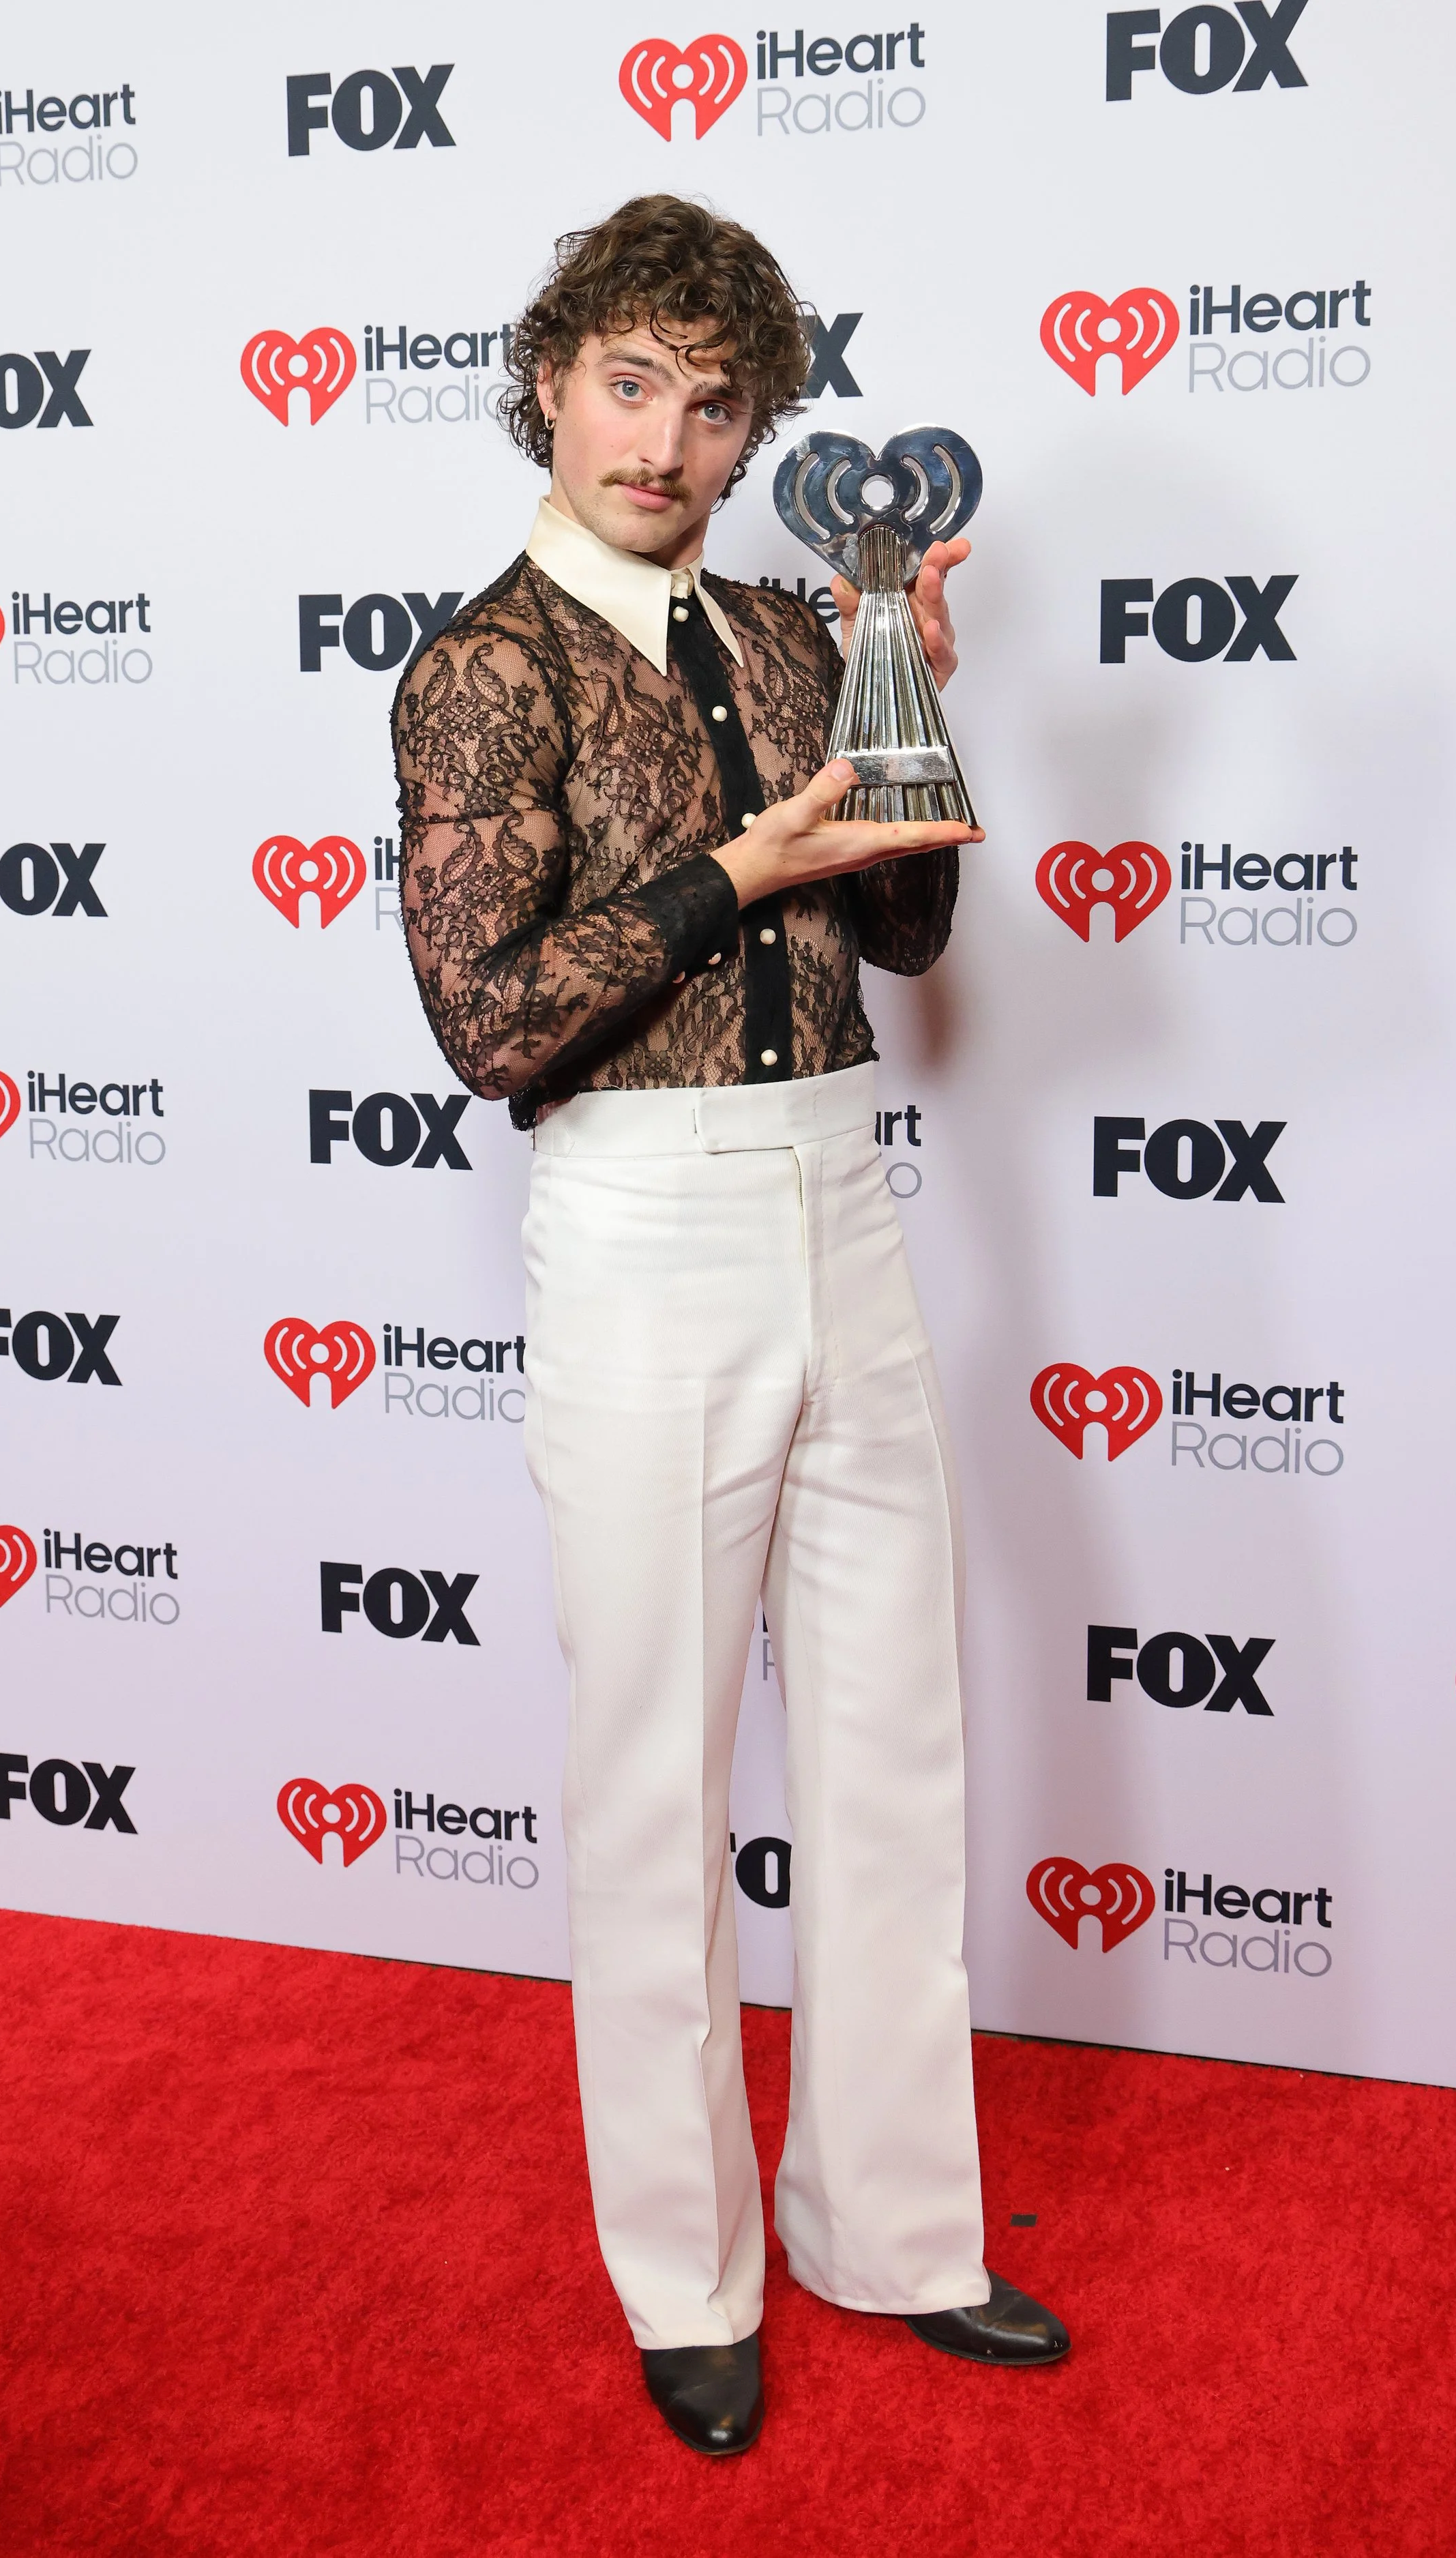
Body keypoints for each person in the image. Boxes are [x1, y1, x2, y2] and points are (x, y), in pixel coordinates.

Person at [391, 194, 1068, 2457]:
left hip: (837, 1200)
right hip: (642, 1223)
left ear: (757, 417)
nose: (665, 440)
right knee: (657, 1776)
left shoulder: (794, 624)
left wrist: (904, 705)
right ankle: (682, 2268)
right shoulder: (479, 663)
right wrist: (723, 876)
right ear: (552, 380)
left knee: (889, 1743)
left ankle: (893, 2224)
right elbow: (492, 1022)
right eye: (626, 383)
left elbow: (906, 934)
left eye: (712, 397)